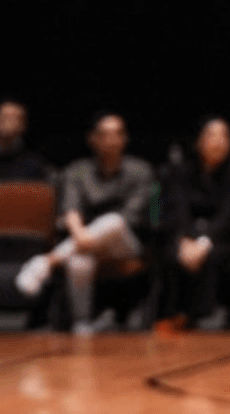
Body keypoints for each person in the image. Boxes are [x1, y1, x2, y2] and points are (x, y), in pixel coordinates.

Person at [15, 113, 154, 333]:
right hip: (82, 242)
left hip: (126, 244)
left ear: (125, 138)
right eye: (105, 134)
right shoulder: (76, 170)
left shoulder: (141, 170)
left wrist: (83, 236)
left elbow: (131, 216)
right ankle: (82, 324)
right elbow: (70, 210)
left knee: (113, 220)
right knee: (79, 260)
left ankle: (46, 262)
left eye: (118, 134)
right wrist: (80, 235)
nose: (112, 140)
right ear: (92, 139)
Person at [155, 116, 230, 331]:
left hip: (222, 238)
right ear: (198, 141)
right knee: (172, 254)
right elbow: (178, 210)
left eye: (224, 136)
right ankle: (171, 314)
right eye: (212, 135)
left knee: (211, 256)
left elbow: (228, 215)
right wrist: (186, 240)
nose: (218, 141)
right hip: (185, 235)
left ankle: (204, 315)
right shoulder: (179, 171)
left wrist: (203, 242)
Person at [0, 100, 52, 183]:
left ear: (23, 125)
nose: (9, 123)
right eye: (5, 117)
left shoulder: (35, 164)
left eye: (14, 119)